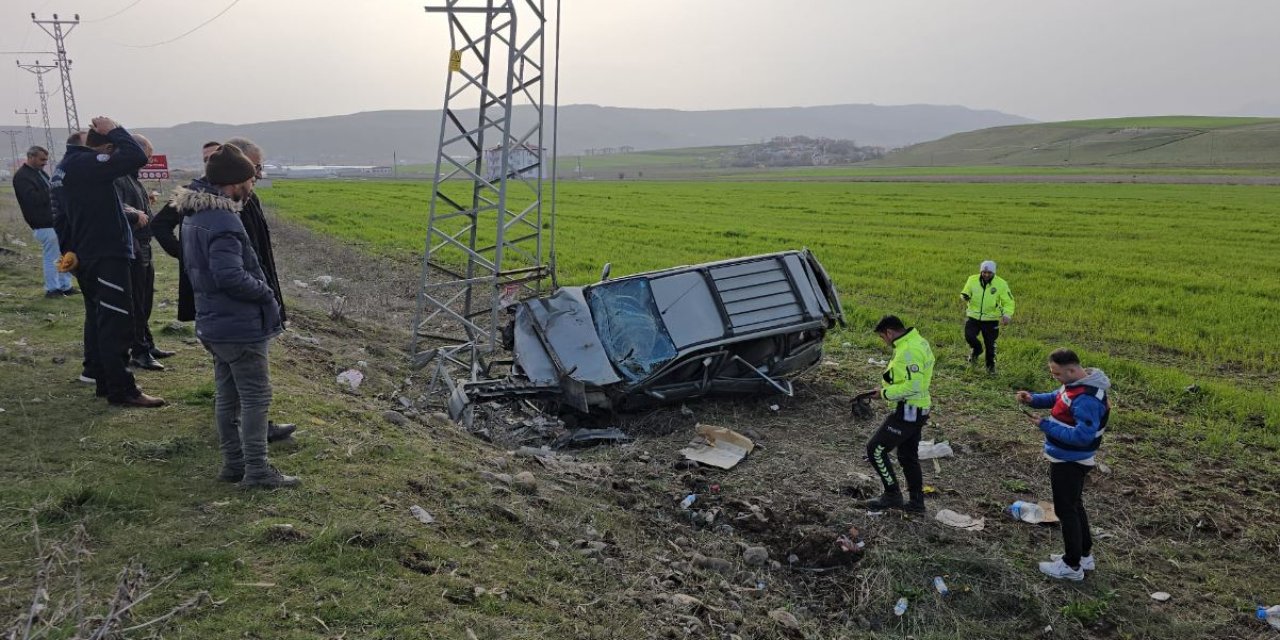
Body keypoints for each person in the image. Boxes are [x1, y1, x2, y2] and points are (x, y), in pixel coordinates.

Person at [152, 141, 296, 442]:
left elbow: (257, 252)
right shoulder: (215, 209)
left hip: (235, 304)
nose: (257, 176)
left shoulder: (238, 201)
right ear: (236, 174)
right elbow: (229, 272)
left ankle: (237, 458)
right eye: (253, 170)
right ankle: (255, 460)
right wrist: (190, 260)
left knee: (232, 386)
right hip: (236, 310)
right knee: (252, 389)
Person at [52, 116, 165, 407]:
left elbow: (61, 218)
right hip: (105, 253)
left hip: (89, 253)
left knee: (104, 320)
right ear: (105, 149)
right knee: (117, 322)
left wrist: (70, 254)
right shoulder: (84, 164)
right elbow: (136, 156)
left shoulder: (65, 169)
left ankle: (106, 381)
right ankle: (122, 390)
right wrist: (114, 129)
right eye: (112, 151)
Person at [1016, 348, 1111, 581]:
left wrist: (1045, 425)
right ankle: (1083, 554)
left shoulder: (1087, 399)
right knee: (1075, 506)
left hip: (1071, 460)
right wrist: (1032, 400)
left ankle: (1071, 566)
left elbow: (1082, 436)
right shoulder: (1074, 386)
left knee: (1066, 510)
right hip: (1066, 457)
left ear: (1071, 369)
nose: (1054, 377)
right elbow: (1057, 397)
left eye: (1057, 374)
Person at [860, 315, 935, 512]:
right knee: (907, 455)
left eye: (882, 337)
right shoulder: (915, 341)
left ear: (890, 332)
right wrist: (883, 390)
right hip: (918, 408)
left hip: (910, 409)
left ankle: (892, 495)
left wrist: (885, 394)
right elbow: (906, 378)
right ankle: (917, 504)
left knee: (875, 449)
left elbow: (914, 385)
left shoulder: (909, 350)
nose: (883, 341)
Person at [114, 133, 174, 371]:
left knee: (145, 299)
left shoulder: (131, 177)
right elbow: (116, 207)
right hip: (134, 247)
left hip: (143, 246)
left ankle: (147, 344)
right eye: (146, 157)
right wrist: (135, 214)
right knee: (137, 302)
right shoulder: (117, 177)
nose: (147, 162)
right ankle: (139, 351)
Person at [12, 145, 76, 297]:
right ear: (31, 157)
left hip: (55, 221)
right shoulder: (22, 177)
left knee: (64, 254)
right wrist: (52, 189)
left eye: (46, 160)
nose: (45, 163)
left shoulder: (40, 173)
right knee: (52, 257)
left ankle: (65, 286)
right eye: (42, 159)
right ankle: (52, 289)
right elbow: (32, 200)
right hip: (43, 224)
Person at [960, 260, 1015, 374]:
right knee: (969, 336)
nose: (986, 275)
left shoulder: (1001, 284)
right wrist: (964, 296)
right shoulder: (972, 279)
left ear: (993, 273)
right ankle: (977, 350)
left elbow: (1008, 301)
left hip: (991, 319)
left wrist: (1007, 315)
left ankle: (990, 368)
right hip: (973, 316)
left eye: (989, 272)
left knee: (990, 346)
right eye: (984, 272)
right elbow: (965, 292)